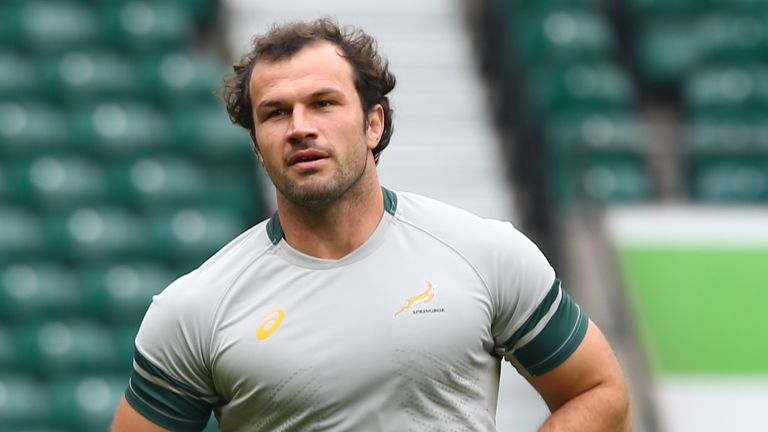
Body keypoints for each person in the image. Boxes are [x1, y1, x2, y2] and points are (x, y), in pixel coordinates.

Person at [112, 17, 631, 431]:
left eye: (323, 103)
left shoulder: (485, 253)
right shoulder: (196, 308)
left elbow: (600, 392)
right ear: (256, 142)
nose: (299, 128)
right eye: (274, 113)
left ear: (373, 123)